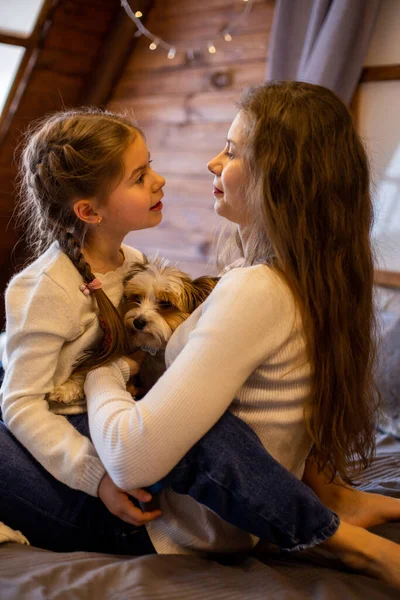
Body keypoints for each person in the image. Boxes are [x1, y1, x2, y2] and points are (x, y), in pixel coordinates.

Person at [0, 86, 398, 587]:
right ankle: (332, 499)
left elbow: (132, 458)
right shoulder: (311, 278)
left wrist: (107, 373)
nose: (212, 163)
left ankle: (339, 534)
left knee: (205, 432)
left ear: (275, 174)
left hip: (161, 520)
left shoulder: (249, 290)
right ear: (89, 211)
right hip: (158, 484)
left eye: (231, 151)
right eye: (141, 175)